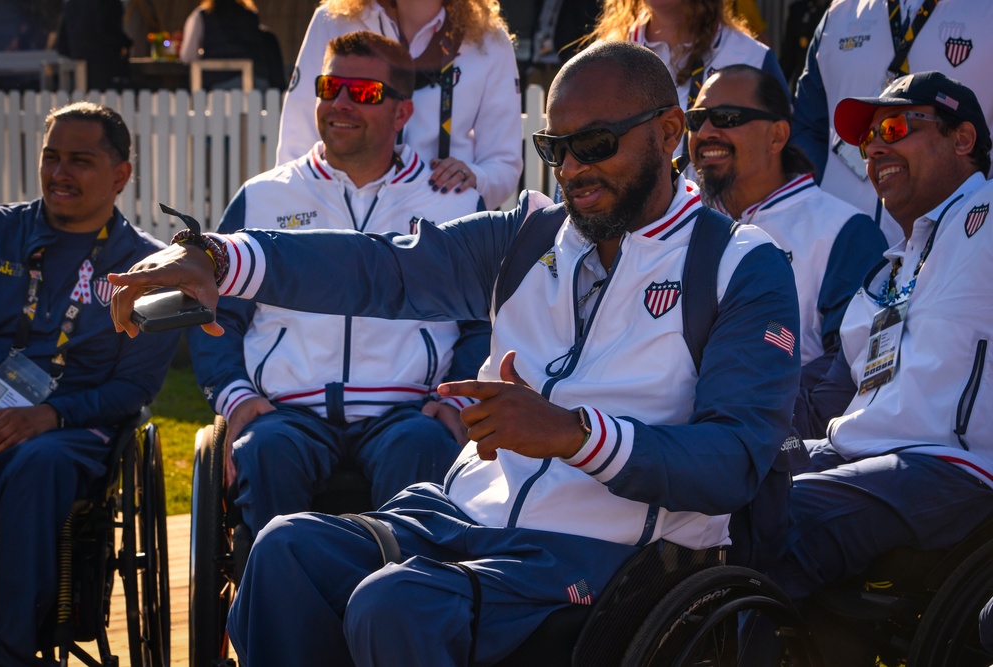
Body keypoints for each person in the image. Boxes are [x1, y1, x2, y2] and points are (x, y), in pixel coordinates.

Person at [109, 40, 801, 666]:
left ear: (670, 131)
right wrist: (220, 257)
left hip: (617, 556)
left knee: (399, 601)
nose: (574, 169)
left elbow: (733, 463)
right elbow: (384, 267)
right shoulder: (530, 237)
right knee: (287, 548)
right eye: (556, 147)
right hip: (468, 518)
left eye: (595, 143)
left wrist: (572, 434)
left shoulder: (738, 265)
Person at [186, 31, 490, 537]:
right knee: (264, 453)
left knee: (427, 449)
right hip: (288, 411)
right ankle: (273, 608)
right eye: (330, 87)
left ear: (402, 113)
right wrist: (236, 398)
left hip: (407, 411)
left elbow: (483, 323)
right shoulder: (264, 196)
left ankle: (398, 608)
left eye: (364, 92)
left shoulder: (450, 202)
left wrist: (456, 402)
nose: (341, 103)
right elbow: (213, 311)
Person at [778, 71, 993, 663]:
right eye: (867, 138)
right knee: (711, 490)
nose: (874, 148)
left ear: (962, 138)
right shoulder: (883, 274)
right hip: (854, 455)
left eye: (896, 128)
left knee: (776, 519)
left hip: (952, 469)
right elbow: (826, 393)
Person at [0, 102, 178, 667]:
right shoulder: (1, 231)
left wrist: (49, 416)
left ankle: (7, 650)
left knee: (37, 463)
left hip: (74, 428)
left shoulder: (152, 268)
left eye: (80, 160)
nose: (59, 173)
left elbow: (136, 389)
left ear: (121, 174)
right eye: (50, 157)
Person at [687, 64, 888, 394]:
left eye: (726, 118)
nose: (705, 131)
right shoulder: (683, 223)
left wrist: (757, 413)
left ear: (777, 136)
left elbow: (852, 364)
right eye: (695, 120)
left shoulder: (844, 230)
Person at [275, 0, 523, 209]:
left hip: (441, 229)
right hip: (341, 220)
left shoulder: (490, 39)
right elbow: (295, 146)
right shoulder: (332, 21)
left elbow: (503, 163)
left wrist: (474, 177)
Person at [791, 0, 993, 245]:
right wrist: (821, 205)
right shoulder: (840, 12)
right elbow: (809, 127)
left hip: (960, 241)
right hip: (839, 245)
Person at [585, 0, 787, 169]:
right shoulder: (598, 62)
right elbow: (577, 153)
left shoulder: (752, 57)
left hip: (727, 213)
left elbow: (783, 159)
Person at [178, 0, 286, 90]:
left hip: (221, 84)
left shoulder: (202, 15)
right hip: (259, 83)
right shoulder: (250, 14)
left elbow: (188, 56)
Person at [56, 0, 132, 91]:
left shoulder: (71, 4)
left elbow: (62, 45)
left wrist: (79, 56)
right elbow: (108, 30)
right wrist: (126, 44)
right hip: (108, 74)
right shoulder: (108, 2)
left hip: (78, 79)